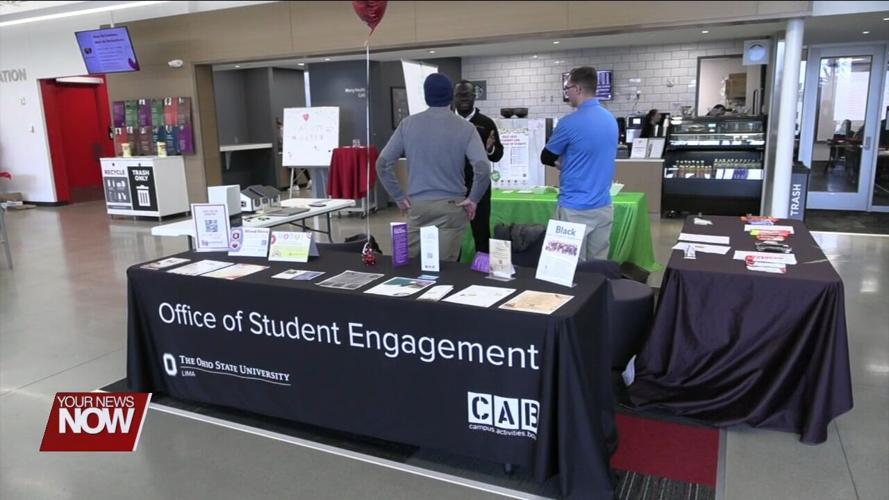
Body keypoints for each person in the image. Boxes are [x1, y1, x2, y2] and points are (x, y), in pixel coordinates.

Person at [376, 73, 491, 262]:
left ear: (426, 96)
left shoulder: (407, 125)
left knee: (411, 267)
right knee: (444, 269)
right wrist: (473, 199)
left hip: (417, 206)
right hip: (452, 207)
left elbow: (382, 163)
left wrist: (398, 196)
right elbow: (483, 167)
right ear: (450, 96)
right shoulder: (466, 128)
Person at [540, 66, 618, 262]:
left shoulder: (569, 123)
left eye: (567, 89)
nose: (567, 93)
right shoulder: (610, 119)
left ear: (578, 89)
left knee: (565, 268)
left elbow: (546, 156)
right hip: (603, 206)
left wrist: (562, 163)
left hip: (573, 209)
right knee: (597, 267)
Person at [453, 80, 503, 254]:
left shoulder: (486, 123)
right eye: (460, 95)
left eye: (467, 95)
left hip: (480, 187)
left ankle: (483, 272)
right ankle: (453, 272)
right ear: (454, 98)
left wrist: (490, 148)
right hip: (453, 187)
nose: (464, 99)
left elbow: (498, 154)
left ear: (475, 97)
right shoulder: (448, 122)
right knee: (452, 235)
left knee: (481, 233)